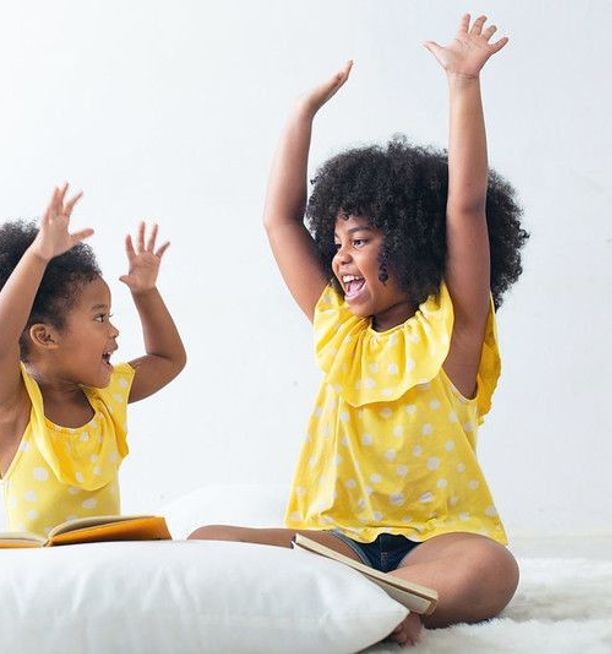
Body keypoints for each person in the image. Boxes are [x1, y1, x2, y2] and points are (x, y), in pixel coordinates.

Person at [189, 15, 528, 646]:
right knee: (205, 541)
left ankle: (374, 601)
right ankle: (364, 598)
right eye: (337, 242)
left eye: (361, 241)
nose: (339, 257)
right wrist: (300, 114)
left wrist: (463, 85)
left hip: (437, 538)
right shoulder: (337, 327)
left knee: (494, 568)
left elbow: (465, 204)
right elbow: (280, 220)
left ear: (414, 245)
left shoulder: (456, 331)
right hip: (340, 539)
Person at [0, 183, 186, 536]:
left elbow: (168, 357)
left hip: (98, 577)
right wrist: (38, 255)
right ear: (46, 336)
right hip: (38, 579)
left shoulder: (107, 395)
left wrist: (146, 293)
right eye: (101, 318)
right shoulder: (16, 406)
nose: (114, 331)